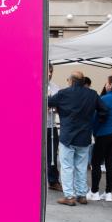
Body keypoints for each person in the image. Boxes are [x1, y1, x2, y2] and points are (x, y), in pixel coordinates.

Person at [48, 71, 108, 206]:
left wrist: (60, 108)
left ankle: (69, 196)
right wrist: (94, 123)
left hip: (67, 136)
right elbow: (104, 110)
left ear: (71, 80)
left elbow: (49, 102)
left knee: (67, 166)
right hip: (85, 136)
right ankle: (82, 195)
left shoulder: (64, 93)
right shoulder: (92, 94)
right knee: (81, 167)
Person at [87, 75, 112, 202]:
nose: (105, 85)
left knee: (96, 162)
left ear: (110, 85)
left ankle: (94, 192)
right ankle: (108, 193)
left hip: (104, 133)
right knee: (110, 163)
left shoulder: (104, 99)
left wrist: (95, 132)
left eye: (107, 83)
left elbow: (96, 118)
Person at [46, 63, 62, 191]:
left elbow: (61, 105)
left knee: (52, 154)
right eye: (47, 71)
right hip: (35, 126)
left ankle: (53, 180)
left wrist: (55, 107)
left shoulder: (56, 87)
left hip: (50, 126)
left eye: (51, 71)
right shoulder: (33, 83)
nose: (50, 74)